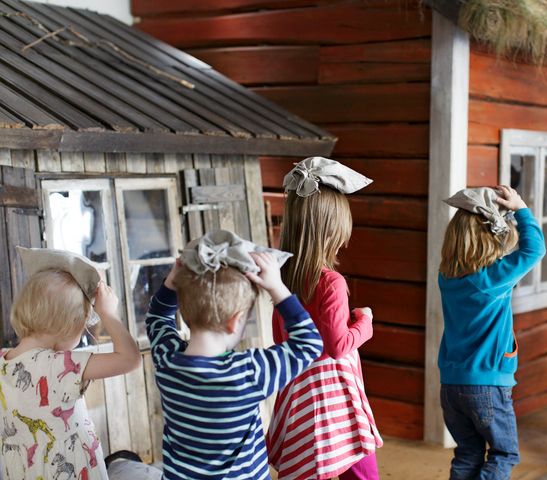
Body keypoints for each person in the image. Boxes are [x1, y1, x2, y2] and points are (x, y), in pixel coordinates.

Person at [145, 231, 323, 480]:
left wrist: (171, 284)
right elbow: (310, 344)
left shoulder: (167, 360)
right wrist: (276, 286)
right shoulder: (248, 372)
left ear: (184, 312)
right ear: (236, 321)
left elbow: (157, 317)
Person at [266, 157, 382, 480]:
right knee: (362, 471)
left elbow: (280, 338)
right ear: (331, 230)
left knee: (303, 468)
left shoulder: (283, 277)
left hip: (298, 392)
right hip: (334, 395)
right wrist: (364, 323)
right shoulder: (331, 282)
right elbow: (337, 344)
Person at [0, 248, 141, 479]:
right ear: (68, 325)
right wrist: (108, 314)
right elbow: (130, 358)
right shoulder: (58, 365)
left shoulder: (2, 362)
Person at [438, 185, 545, 480]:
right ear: (492, 240)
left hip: (451, 387)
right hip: (487, 387)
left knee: (468, 452)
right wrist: (521, 208)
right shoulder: (491, 279)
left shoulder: (446, 276)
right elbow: (535, 249)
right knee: (504, 453)